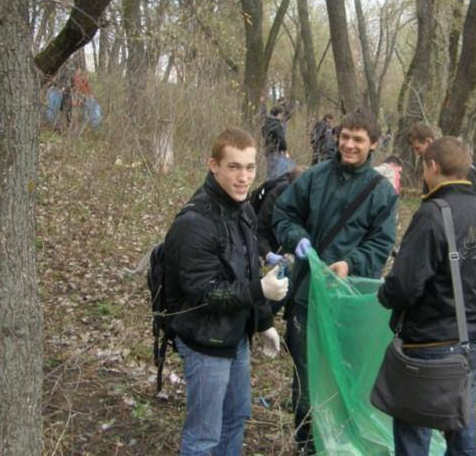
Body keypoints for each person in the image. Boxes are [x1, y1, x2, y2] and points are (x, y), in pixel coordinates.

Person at [272, 109, 398, 453]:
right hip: (306, 295)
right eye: (344, 137)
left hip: (349, 301)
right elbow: (283, 214)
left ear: (373, 144)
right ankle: (307, 444)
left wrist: (351, 263)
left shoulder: (382, 192)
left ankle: (341, 442)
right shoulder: (314, 177)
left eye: (358, 139)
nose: (349, 145)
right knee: (306, 377)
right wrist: (296, 238)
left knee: (346, 376)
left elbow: (381, 243)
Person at [377, 137, 476, 455]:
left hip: (427, 345)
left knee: (413, 435)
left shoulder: (432, 214)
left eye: (424, 167)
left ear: (433, 166)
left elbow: (404, 287)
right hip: (470, 344)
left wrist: (384, 293)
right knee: (462, 429)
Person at [163, 128, 289, 455]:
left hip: (235, 333)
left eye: (249, 167)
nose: (243, 177)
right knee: (204, 435)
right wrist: (260, 290)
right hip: (204, 340)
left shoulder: (243, 209)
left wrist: (263, 322)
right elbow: (203, 294)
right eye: (233, 167)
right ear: (214, 166)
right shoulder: (195, 223)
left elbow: (247, 269)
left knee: (235, 417)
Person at [408, 123, 476, 203]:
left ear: (429, 141)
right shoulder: (429, 167)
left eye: (417, 148)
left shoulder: (458, 164)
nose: (416, 153)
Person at [262, 106, 288, 180]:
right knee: (275, 173)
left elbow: (263, 135)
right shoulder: (276, 125)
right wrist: (284, 149)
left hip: (268, 150)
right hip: (276, 150)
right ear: (278, 114)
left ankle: (269, 184)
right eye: (281, 114)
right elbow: (281, 138)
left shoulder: (267, 123)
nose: (282, 116)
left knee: (270, 171)